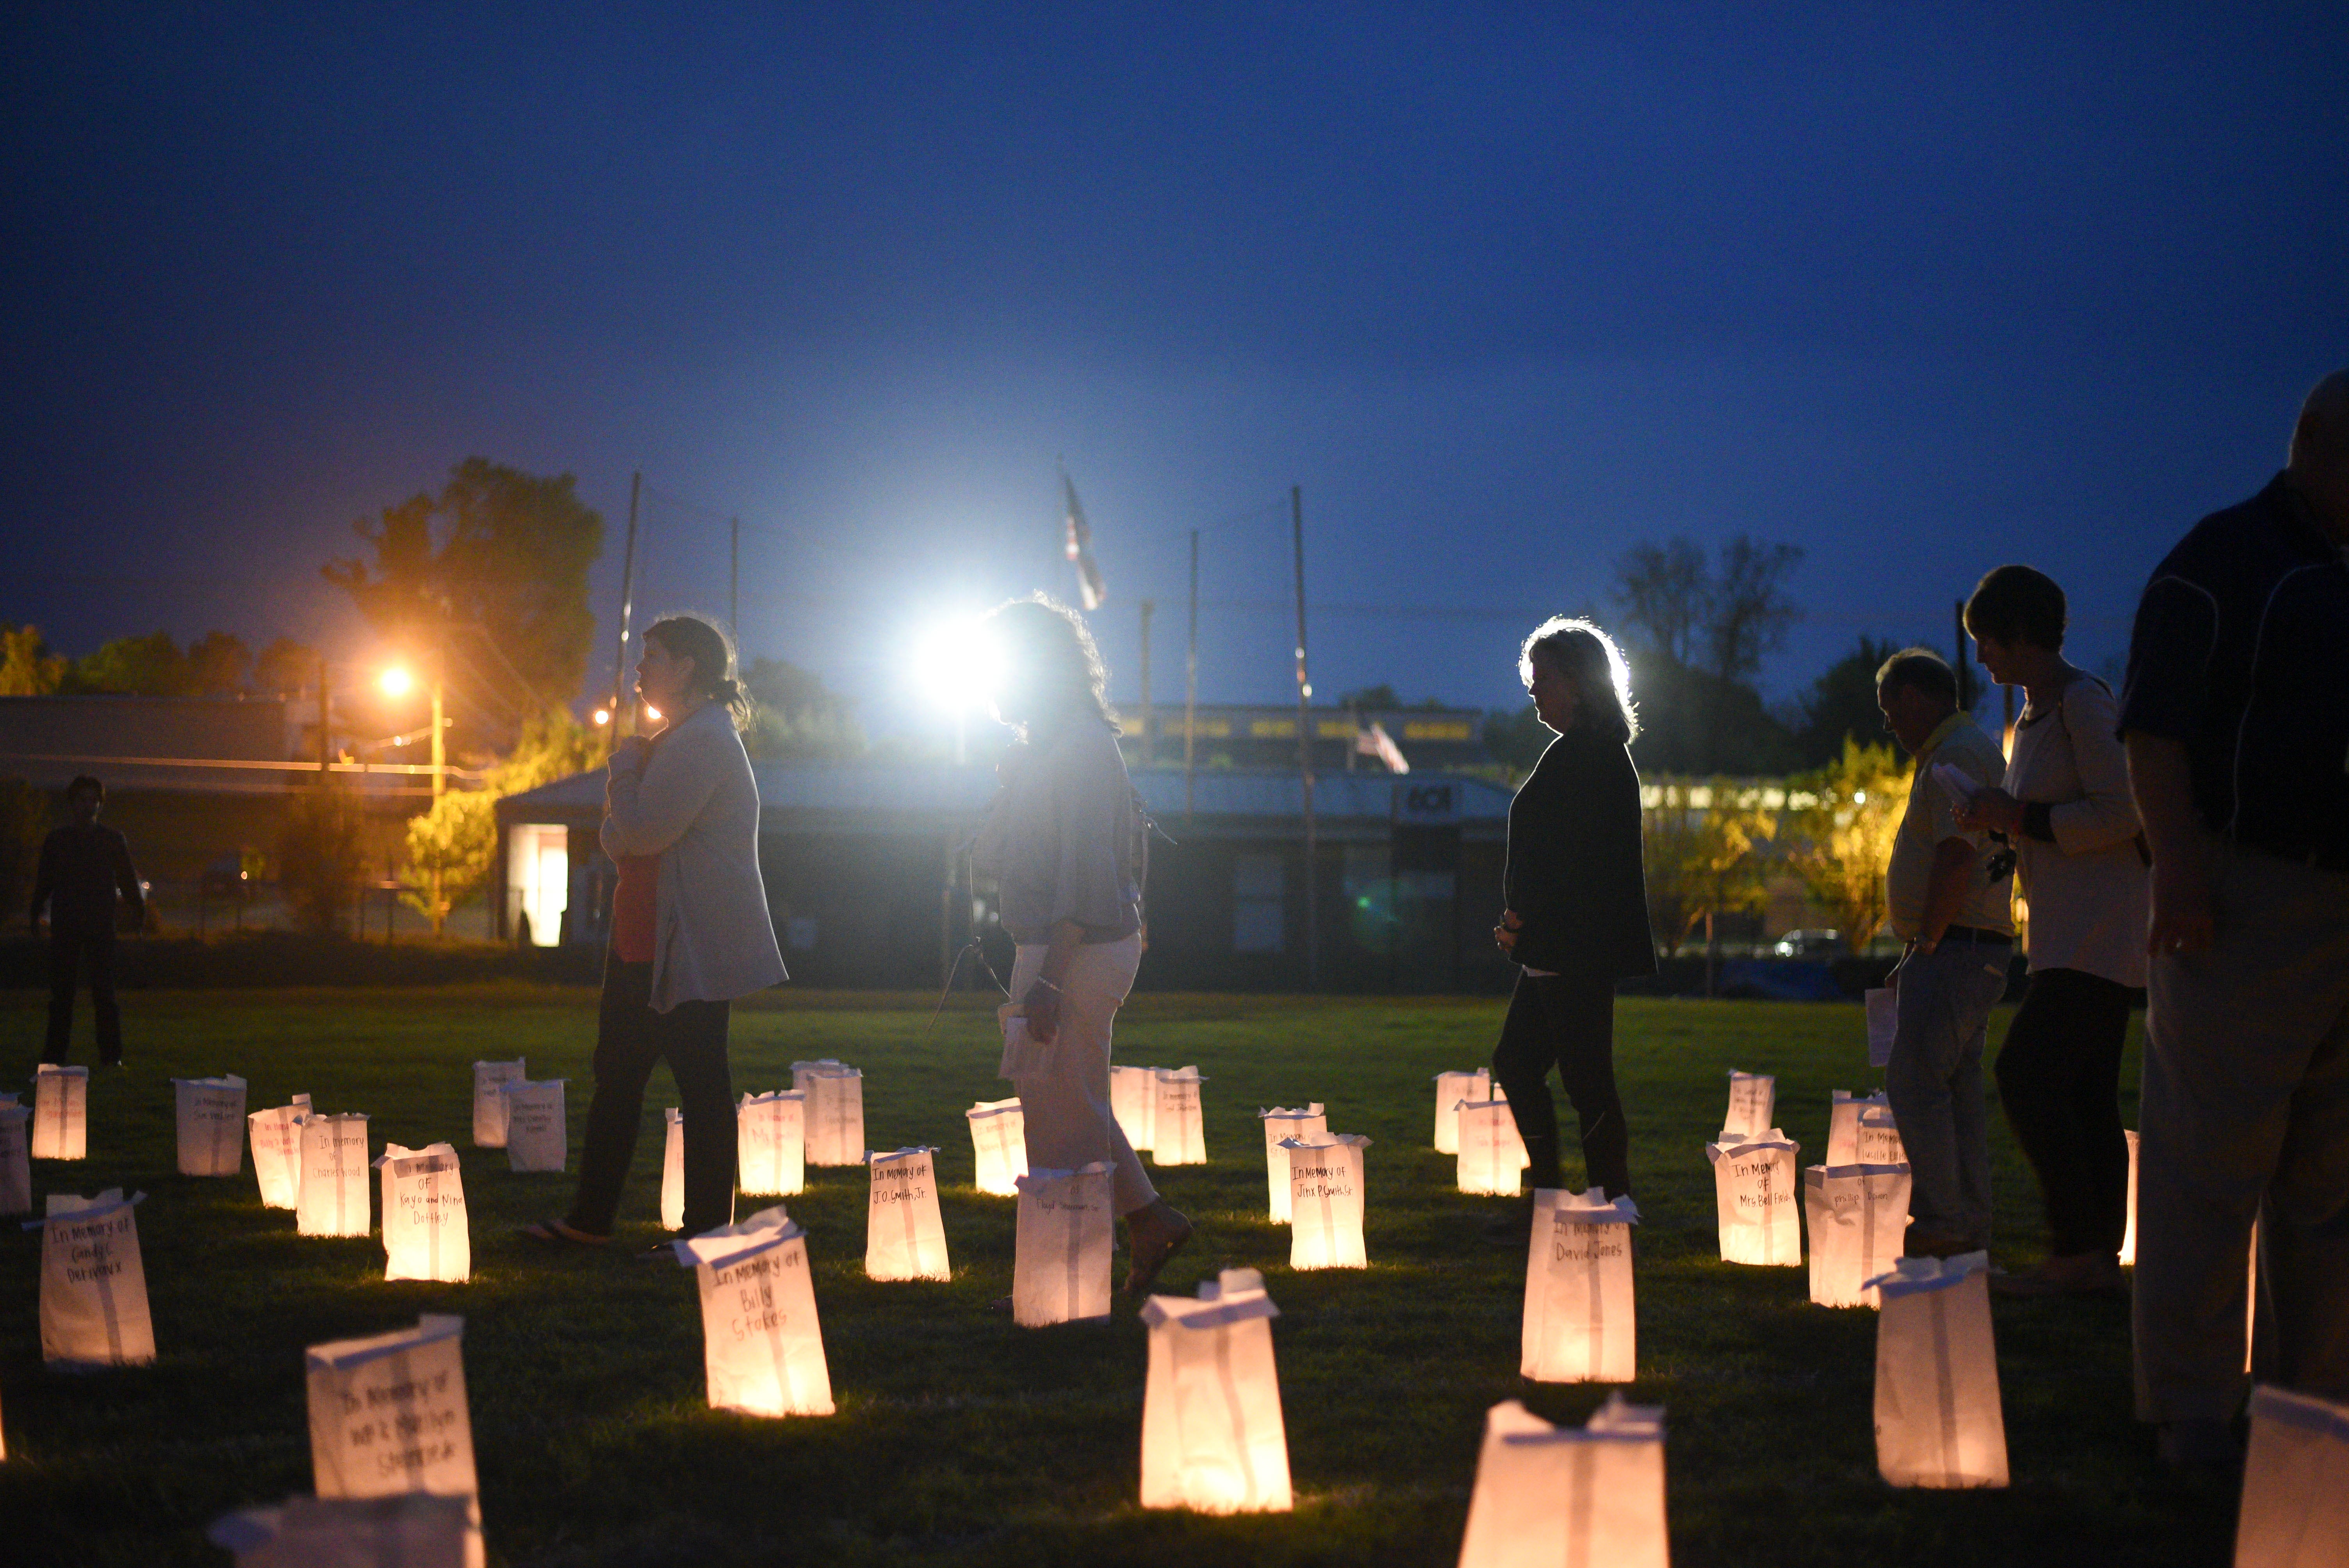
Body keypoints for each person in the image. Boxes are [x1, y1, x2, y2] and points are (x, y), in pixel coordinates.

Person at [2119, 371, 2349, 1472]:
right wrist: (2181, 877)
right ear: (2308, 439)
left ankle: (2314, 1403)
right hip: (2250, 890)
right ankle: (2195, 1406)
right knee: (2211, 1162)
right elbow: (2155, 733)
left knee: (2334, 1176)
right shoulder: (2222, 563)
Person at [524, 616, 786, 1252]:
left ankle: (700, 1232)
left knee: (697, 1084)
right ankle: (594, 1221)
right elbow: (627, 838)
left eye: (654, 658)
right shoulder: (681, 740)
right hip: (647, 943)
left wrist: (623, 772)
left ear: (689, 667)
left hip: (684, 949)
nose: (640, 672)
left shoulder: (701, 741)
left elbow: (635, 834)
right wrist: (629, 810)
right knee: (622, 1079)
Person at [971, 594, 1191, 1294]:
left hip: (1077, 949)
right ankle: (1151, 1221)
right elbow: (987, 857)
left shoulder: (1086, 749)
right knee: (1069, 1099)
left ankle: (1071, 1275)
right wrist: (1012, 783)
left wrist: (1050, 981)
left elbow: (1086, 877)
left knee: (1059, 1114)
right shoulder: (1046, 752)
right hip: (1057, 946)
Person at [1955, 566, 2147, 1296]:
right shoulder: (2037, 715)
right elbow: (2051, 819)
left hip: (2099, 934)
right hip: (2070, 933)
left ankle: (2075, 1248)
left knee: (2027, 1076)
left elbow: (2122, 811)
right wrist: (1998, 819)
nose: (1983, 660)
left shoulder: (2081, 704)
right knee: (2087, 1094)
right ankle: (2095, 1257)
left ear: (2020, 635)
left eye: (1987, 642)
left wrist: (2020, 819)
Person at [1488, 618, 1655, 1233]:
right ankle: (1557, 1190)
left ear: (1581, 684)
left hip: (1571, 947)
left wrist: (1517, 920)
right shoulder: (1586, 754)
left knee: (1584, 1077)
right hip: (1559, 946)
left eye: (1545, 678)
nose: (1534, 689)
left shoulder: (1589, 758)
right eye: (1532, 678)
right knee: (1520, 1062)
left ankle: (1611, 1200)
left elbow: (1563, 858)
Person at [1875, 648, 2015, 1258]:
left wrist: (1926, 943)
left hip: (1957, 946)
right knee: (1954, 1093)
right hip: (1971, 946)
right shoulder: (1963, 749)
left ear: (1916, 697)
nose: (1890, 725)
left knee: (1914, 1079)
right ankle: (1967, 1229)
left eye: (1891, 710)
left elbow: (1957, 856)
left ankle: (1942, 1220)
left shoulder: (1954, 756)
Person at [31, 774, 145, 1067]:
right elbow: (45, 880)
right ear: (73, 804)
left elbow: (128, 879)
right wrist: (35, 912)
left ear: (100, 805)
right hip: (70, 925)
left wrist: (137, 909)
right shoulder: (62, 841)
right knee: (65, 997)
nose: (88, 805)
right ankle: (63, 1056)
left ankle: (108, 1055)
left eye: (93, 800)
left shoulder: (107, 840)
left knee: (103, 994)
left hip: (96, 925)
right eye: (83, 799)